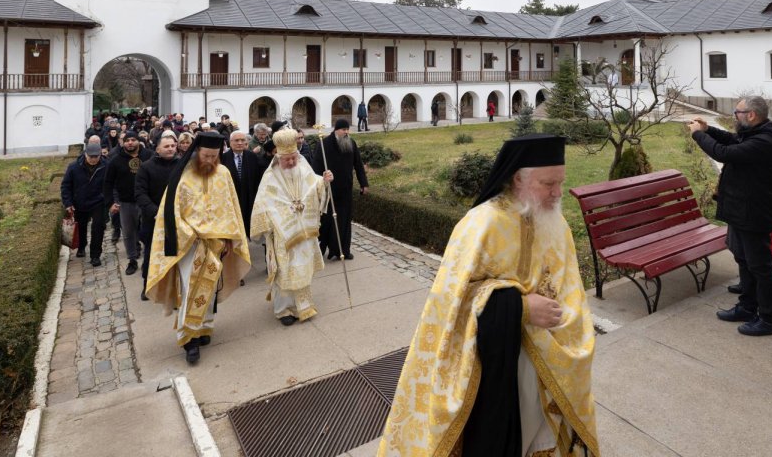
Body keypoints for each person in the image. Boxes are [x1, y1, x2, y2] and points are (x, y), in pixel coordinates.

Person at [378, 134, 599, 457]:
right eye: (547, 183)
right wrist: (520, 308)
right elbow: (452, 304)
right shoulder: (481, 224)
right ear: (518, 179)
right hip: (499, 368)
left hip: (550, 362)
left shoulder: (556, 223)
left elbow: (570, 289)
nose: (557, 193)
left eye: (560, 182)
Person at [145, 132, 251, 364]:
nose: (210, 161)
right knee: (191, 286)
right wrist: (189, 235)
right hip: (190, 244)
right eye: (206, 156)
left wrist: (230, 238)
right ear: (196, 153)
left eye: (214, 157)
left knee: (211, 288)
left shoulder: (223, 174)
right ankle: (188, 338)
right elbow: (169, 212)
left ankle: (204, 327)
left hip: (217, 242)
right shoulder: (182, 175)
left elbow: (231, 207)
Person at [688, 96, 772, 336]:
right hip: (742, 209)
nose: (735, 116)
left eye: (737, 112)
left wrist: (698, 135)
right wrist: (708, 129)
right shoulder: (756, 133)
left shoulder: (765, 140)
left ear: (751, 115)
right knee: (744, 259)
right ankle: (747, 306)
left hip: (754, 211)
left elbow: (724, 153)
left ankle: (766, 319)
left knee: (760, 266)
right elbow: (732, 139)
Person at [249, 129, 333, 325]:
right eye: (287, 159)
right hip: (283, 233)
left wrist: (325, 182)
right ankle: (284, 310)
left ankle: (302, 306)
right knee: (285, 271)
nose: (292, 162)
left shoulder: (303, 169)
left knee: (302, 268)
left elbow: (314, 186)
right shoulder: (270, 177)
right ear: (278, 158)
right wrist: (285, 214)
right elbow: (264, 203)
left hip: (304, 231)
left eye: (294, 158)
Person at [310, 120, 369, 260]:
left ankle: (343, 250)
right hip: (329, 190)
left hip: (345, 190)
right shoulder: (323, 145)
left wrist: (364, 184)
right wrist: (320, 183)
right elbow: (316, 168)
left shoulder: (351, 143)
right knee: (327, 222)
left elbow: (358, 165)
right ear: (336, 130)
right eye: (343, 129)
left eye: (347, 129)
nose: (346, 132)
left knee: (344, 221)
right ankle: (322, 249)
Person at [134, 130, 181, 297]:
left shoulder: (182, 165)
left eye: (173, 146)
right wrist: (156, 212)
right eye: (166, 146)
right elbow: (140, 193)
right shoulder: (146, 167)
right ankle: (148, 286)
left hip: (177, 219)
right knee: (151, 254)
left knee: (176, 255)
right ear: (158, 149)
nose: (170, 149)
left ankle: (175, 289)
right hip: (152, 219)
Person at [104, 131, 153, 275]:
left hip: (147, 201)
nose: (130, 142)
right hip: (126, 201)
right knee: (128, 232)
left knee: (147, 231)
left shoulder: (149, 156)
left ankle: (149, 260)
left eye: (133, 140)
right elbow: (108, 183)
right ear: (123, 143)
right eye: (127, 140)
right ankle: (132, 260)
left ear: (139, 141)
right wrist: (110, 203)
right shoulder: (115, 160)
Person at [60, 141, 109, 267]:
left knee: (98, 227)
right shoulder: (74, 167)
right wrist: (68, 202)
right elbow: (66, 186)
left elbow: (111, 183)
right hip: (80, 202)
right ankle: (81, 246)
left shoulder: (106, 165)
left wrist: (109, 200)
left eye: (96, 157)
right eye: (91, 156)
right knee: (81, 226)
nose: (93, 159)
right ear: (85, 154)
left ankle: (95, 255)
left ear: (100, 155)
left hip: (98, 201)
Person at [221, 129, 266, 238]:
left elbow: (259, 176)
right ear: (230, 142)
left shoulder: (252, 157)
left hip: (248, 197)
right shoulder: (223, 158)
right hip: (231, 199)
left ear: (246, 142)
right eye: (236, 140)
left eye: (242, 140)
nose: (240, 143)